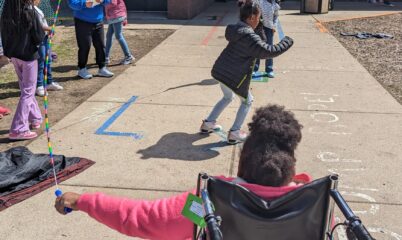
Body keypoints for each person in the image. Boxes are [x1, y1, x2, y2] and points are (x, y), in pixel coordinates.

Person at [55, 104, 310, 239]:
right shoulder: (313, 202)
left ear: (243, 157)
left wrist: (82, 201)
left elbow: (144, 219)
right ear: (292, 164)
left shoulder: (209, 201)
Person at [200, 0, 293, 144]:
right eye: (258, 17)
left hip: (221, 71)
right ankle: (235, 132)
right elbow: (268, 51)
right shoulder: (249, 37)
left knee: (227, 97)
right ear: (251, 18)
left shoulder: (237, 29)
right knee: (247, 101)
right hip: (234, 76)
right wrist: (286, 41)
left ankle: (208, 123)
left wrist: (259, 26)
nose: (259, 20)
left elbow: (260, 40)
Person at [1, 0, 45, 140]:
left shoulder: (6, 13)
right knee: (28, 91)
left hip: (14, 56)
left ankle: (34, 117)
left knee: (26, 88)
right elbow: (38, 36)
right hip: (28, 57)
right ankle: (18, 129)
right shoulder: (29, 11)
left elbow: (4, 36)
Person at [68, 0, 114, 79]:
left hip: (98, 20)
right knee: (85, 46)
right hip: (82, 21)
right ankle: (82, 69)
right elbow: (72, 3)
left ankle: (102, 68)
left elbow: (108, 1)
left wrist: (102, 1)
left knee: (101, 45)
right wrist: (84, 4)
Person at [34, 0, 64, 96]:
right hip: (39, 39)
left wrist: (48, 31)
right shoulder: (30, 9)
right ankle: (39, 85)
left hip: (45, 37)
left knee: (48, 59)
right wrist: (49, 29)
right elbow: (37, 25)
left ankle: (49, 82)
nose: (40, 1)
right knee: (41, 61)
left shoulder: (36, 8)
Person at [253, 0, 280, 78]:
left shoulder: (275, 5)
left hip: (269, 29)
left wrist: (274, 26)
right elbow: (254, 11)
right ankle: (254, 69)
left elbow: (276, 16)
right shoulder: (259, 2)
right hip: (259, 27)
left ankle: (269, 69)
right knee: (257, 47)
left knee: (269, 48)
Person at [104, 0, 134, 65]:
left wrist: (102, 2)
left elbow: (113, 3)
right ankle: (106, 57)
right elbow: (123, 5)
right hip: (113, 17)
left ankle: (128, 56)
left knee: (118, 36)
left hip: (116, 16)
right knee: (109, 36)